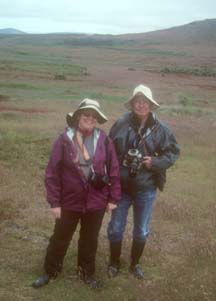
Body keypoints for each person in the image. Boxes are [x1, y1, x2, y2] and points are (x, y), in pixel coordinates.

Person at [32, 98, 121, 289]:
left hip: (96, 201)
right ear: (78, 117)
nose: (90, 118)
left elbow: (113, 170)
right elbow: (52, 173)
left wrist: (113, 198)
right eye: (86, 114)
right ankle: (50, 272)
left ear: (97, 119)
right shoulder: (64, 140)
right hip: (69, 201)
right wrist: (54, 202)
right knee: (60, 238)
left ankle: (86, 274)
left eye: (93, 116)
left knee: (89, 241)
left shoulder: (105, 141)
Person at [107, 84, 180, 279]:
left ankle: (135, 264)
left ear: (150, 105)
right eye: (137, 102)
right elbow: (108, 150)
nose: (141, 105)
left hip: (146, 188)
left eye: (144, 102)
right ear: (132, 104)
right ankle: (114, 263)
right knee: (115, 229)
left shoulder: (161, 129)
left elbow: (173, 152)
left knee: (142, 230)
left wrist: (154, 162)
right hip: (121, 188)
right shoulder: (120, 123)